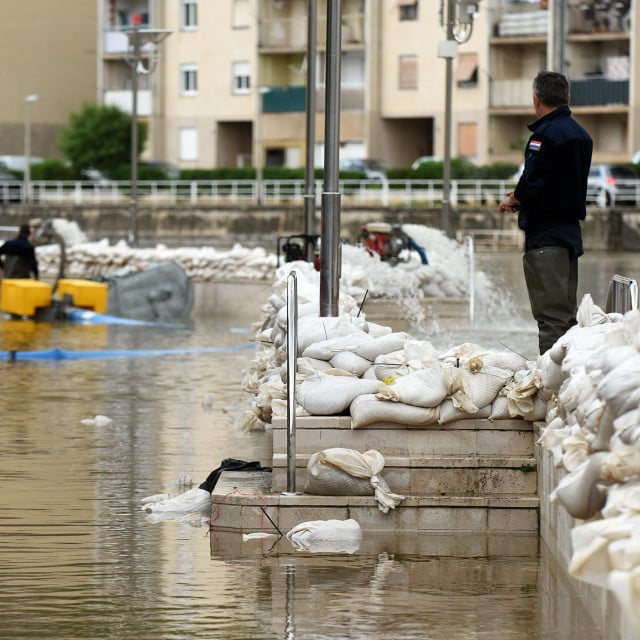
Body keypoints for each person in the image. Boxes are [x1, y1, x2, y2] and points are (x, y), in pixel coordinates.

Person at [499, 70, 593, 355]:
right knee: (567, 315)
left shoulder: (544, 136)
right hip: (570, 237)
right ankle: (569, 376)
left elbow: (534, 181)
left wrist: (515, 198)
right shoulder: (582, 135)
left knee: (550, 318)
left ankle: (551, 386)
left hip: (545, 239)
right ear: (567, 98)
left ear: (536, 98)